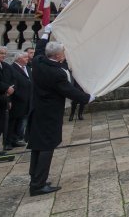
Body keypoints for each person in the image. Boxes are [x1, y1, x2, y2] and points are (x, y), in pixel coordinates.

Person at [28, 41, 91, 196]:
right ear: (57, 55)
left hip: (37, 110)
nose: (64, 53)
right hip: (50, 113)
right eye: (63, 51)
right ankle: (38, 185)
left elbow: (39, 50)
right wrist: (88, 98)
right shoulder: (56, 73)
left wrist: (44, 35)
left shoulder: (37, 62)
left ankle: (35, 178)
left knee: (37, 145)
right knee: (47, 147)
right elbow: (69, 91)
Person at [6, 51, 32, 150]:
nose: (27, 59)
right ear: (18, 59)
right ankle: (8, 142)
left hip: (26, 99)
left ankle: (16, 139)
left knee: (20, 122)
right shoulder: (11, 68)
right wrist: (9, 100)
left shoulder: (28, 68)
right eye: (25, 57)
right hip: (16, 99)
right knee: (12, 122)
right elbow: (10, 85)